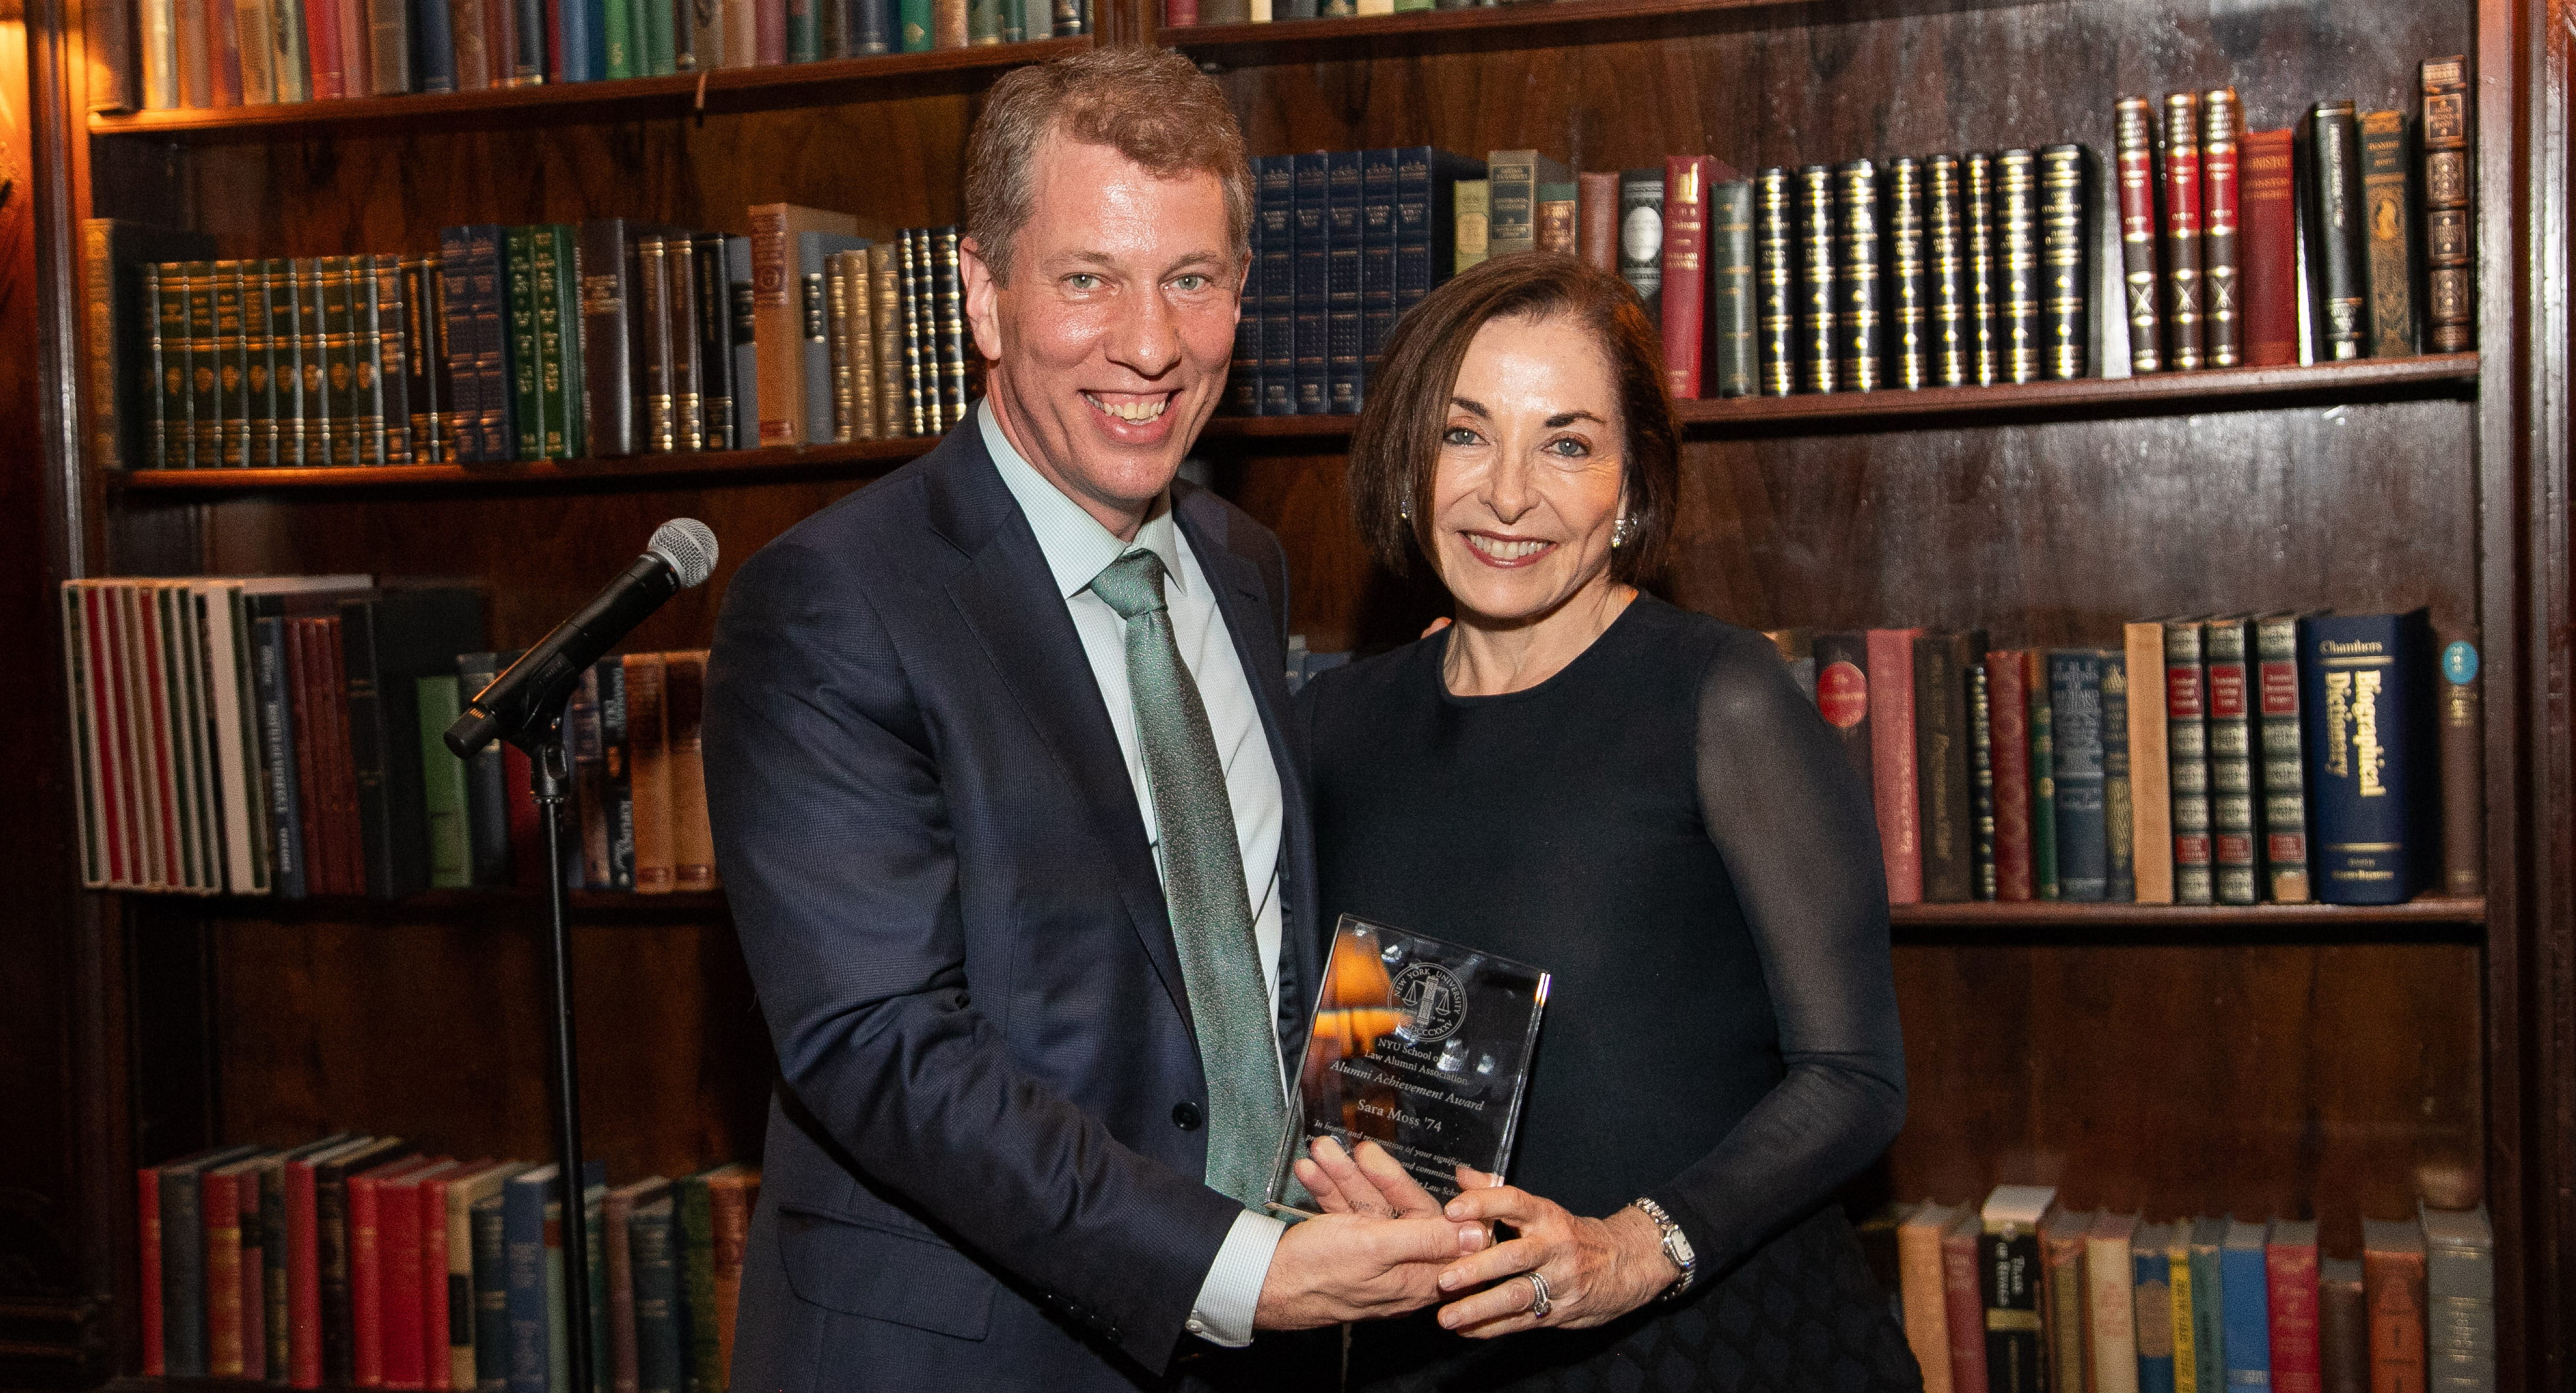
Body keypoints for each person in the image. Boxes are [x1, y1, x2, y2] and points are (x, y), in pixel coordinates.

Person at [703, 47, 1476, 1393]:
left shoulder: (1239, 564)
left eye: (1192, 279)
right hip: (972, 1353)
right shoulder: (833, 603)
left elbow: (1249, 949)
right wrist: (1234, 1267)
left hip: (1262, 1345)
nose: (1149, 343)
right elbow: (878, 1046)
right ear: (983, 295)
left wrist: (1356, 1162)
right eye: (1086, 278)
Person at [1291, 254, 1924, 1391]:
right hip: (1424, 1349)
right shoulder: (1335, 724)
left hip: (1709, 1344)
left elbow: (1855, 1078)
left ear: (1631, 487)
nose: (1509, 492)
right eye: (1465, 434)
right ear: (1406, 462)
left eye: (1568, 443)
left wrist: (1636, 1248)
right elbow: (1343, 1043)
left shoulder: (1722, 700)